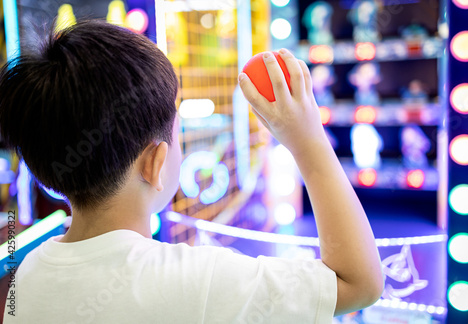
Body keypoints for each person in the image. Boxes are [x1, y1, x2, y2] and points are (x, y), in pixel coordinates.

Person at [0, 20, 383, 323]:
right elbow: (358, 284)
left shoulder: (27, 276)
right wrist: (308, 142)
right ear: (155, 162)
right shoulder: (199, 282)